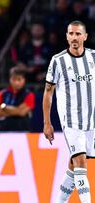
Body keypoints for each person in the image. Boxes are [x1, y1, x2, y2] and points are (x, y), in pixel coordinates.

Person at [43, 20, 94, 203]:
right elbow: (48, 92)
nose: (74, 37)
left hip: (91, 121)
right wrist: (47, 123)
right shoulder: (58, 60)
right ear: (66, 36)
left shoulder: (93, 57)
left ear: (85, 37)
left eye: (78, 34)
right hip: (71, 120)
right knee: (80, 162)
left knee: (74, 165)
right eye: (71, 33)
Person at [0, 66, 35, 131]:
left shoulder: (29, 95)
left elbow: (21, 112)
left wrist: (4, 107)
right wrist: (16, 111)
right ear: (10, 79)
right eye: (14, 79)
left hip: (22, 132)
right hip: (3, 132)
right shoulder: (2, 93)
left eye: (19, 79)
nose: (16, 82)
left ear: (24, 80)